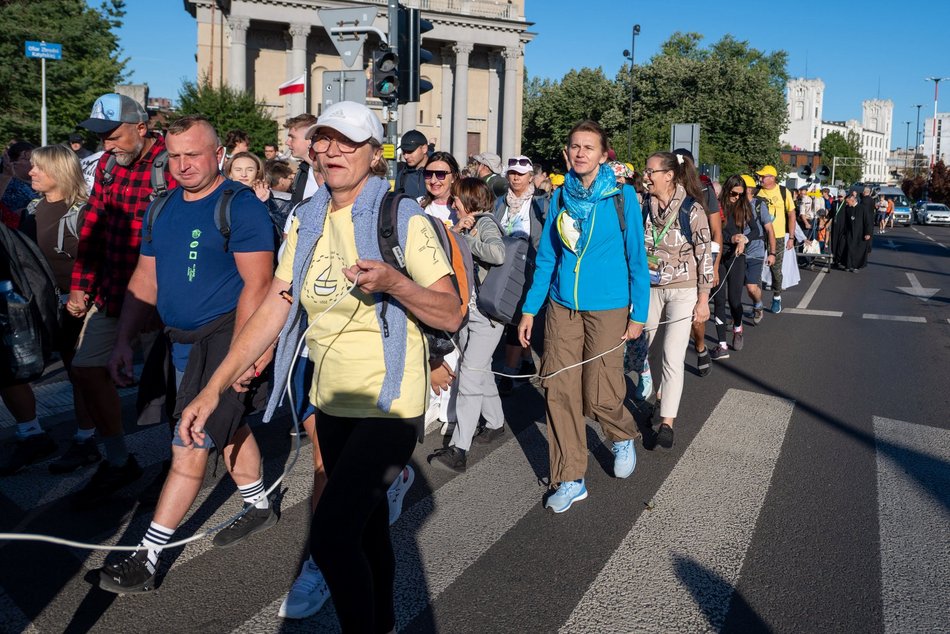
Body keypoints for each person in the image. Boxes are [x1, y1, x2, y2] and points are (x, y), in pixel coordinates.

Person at [179, 101, 461, 630]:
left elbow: (450, 309)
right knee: (368, 530)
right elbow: (275, 306)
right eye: (324, 139)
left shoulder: (400, 216)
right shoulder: (304, 219)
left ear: (375, 155)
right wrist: (212, 389)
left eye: (348, 142)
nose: (332, 151)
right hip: (331, 402)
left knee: (331, 538)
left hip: (390, 402)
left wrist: (396, 283)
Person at [97, 115, 277, 594]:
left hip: (226, 337)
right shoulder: (160, 209)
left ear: (218, 154)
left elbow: (259, 286)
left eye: (193, 154)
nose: (182, 165)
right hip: (179, 342)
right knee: (228, 425)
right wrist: (122, 341)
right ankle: (258, 505)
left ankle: (148, 556)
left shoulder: (240, 207)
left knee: (190, 436)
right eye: (174, 156)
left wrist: (238, 361)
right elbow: (145, 279)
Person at [517, 120, 649, 513]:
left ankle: (621, 433)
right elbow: (547, 258)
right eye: (574, 146)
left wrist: (637, 315)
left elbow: (637, 262)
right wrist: (529, 309)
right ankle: (570, 476)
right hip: (561, 306)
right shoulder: (558, 197)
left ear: (603, 154)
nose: (580, 153)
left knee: (600, 391)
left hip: (608, 307)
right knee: (558, 388)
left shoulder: (623, 197)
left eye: (588, 147)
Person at [66, 93, 177, 504]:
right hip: (115, 292)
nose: (106, 146)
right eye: (101, 138)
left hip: (166, 300)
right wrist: (80, 283)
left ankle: (182, 460)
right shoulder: (110, 168)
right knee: (86, 368)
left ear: (141, 128)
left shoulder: (174, 164)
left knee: (173, 385)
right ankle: (117, 460)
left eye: (112, 136)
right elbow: (93, 227)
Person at [0, 145, 91, 475]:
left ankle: (87, 439)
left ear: (60, 172)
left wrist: (83, 297)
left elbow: (97, 262)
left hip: (79, 305)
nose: (32, 172)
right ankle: (32, 434)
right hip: (41, 305)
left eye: (38, 168)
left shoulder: (84, 211)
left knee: (80, 372)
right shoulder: (32, 209)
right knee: (12, 369)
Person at [428, 177, 506, 473]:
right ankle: (496, 422)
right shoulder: (465, 225)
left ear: (469, 202)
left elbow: (497, 254)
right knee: (479, 370)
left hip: (487, 316)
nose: (452, 203)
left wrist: (464, 238)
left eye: (457, 199)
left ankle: (459, 450)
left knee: (471, 376)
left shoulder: (484, 223)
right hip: (469, 312)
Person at [641, 151, 713, 449]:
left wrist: (703, 298)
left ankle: (667, 421)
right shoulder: (643, 205)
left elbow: (705, 252)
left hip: (683, 289)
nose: (646, 176)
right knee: (651, 349)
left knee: (673, 353)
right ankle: (658, 396)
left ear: (668, 175)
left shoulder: (691, 209)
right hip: (651, 287)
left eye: (650, 171)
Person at [493, 154, 549, 395]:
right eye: (512, 173)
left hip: (529, 267)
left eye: (521, 174)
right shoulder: (499, 203)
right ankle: (526, 363)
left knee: (517, 317)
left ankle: (509, 370)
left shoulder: (541, 203)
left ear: (530, 177)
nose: (515, 177)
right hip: (502, 266)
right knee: (510, 317)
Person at [419, 151, 461, 428]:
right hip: (423, 287)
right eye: (429, 174)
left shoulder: (461, 208)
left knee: (453, 348)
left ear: (453, 177)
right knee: (427, 345)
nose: (434, 180)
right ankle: (431, 401)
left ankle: (449, 409)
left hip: (457, 289)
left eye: (441, 174)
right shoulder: (416, 207)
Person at [674, 149, 721, 378]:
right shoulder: (663, 188)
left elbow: (716, 232)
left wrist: (713, 266)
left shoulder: (704, 191)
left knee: (695, 318)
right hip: (668, 267)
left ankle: (700, 347)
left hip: (696, 262)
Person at [709, 175, 765, 358]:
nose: (736, 197)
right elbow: (714, 231)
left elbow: (756, 230)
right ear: (727, 190)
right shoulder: (717, 204)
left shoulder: (744, 205)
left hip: (736, 257)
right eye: (734, 193)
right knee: (718, 299)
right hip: (718, 255)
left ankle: (738, 328)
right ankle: (721, 344)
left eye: (740, 195)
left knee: (734, 300)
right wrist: (730, 238)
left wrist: (744, 239)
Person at [754, 165, 795, 314]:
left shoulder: (784, 192)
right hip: (759, 236)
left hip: (777, 236)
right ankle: (757, 301)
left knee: (775, 270)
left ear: (772, 177)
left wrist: (791, 237)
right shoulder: (757, 192)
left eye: (763, 176)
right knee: (755, 268)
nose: (761, 178)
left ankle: (777, 297)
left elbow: (791, 215)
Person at [739, 175, 776, 325]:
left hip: (756, 251)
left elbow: (770, 230)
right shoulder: (734, 204)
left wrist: (772, 253)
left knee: (751, 287)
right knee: (734, 288)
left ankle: (758, 304)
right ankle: (736, 319)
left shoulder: (759, 205)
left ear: (748, 189)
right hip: (738, 252)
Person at [0, 142, 38, 229]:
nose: (35, 164)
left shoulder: (37, 183)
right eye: (31, 160)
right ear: (13, 162)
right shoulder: (7, 185)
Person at [284, 113, 320, 204]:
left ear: (310, 139)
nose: (287, 142)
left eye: (292, 137)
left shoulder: (331, 172)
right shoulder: (303, 170)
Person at [837, 191, 871, 272]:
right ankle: (848, 265)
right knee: (848, 248)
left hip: (860, 233)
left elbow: (867, 221)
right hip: (849, 232)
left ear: (852, 200)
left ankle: (856, 266)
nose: (847, 204)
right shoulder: (848, 209)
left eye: (848, 202)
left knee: (857, 250)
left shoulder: (862, 208)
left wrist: (868, 233)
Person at [395, 129, 429, 199]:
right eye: (404, 152)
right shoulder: (401, 175)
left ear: (424, 149)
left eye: (410, 151)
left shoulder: (438, 173)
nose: (406, 156)